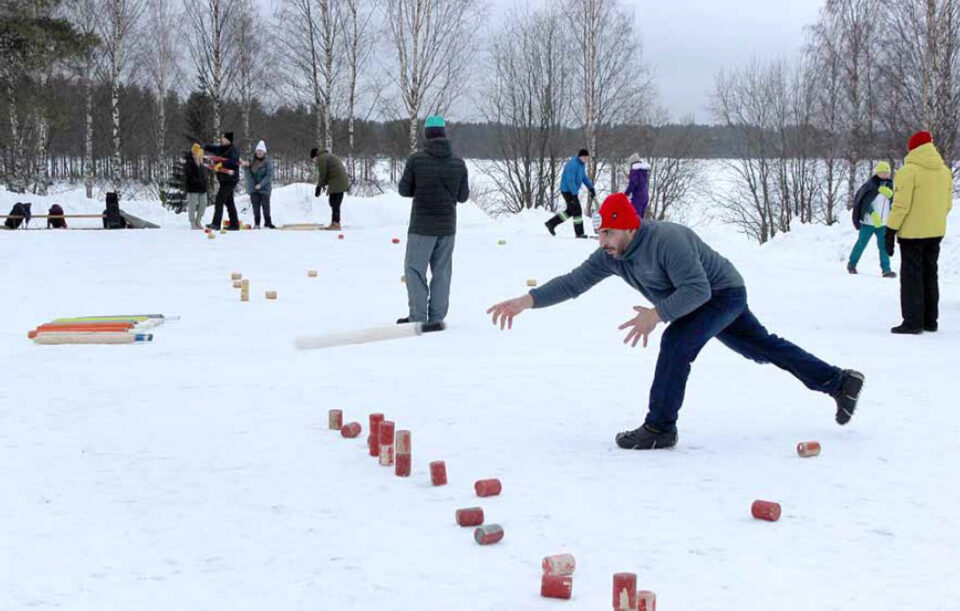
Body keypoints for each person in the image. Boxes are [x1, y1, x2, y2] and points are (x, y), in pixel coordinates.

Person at [487, 193, 865, 450]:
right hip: (700, 299)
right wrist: (526, 301)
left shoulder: (666, 240)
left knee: (676, 343)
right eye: (601, 231)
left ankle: (660, 428)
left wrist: (656, 314)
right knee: (762, 348)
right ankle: (840, 381)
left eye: (610, 232)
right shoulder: (609, 256)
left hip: (722, 294)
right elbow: (573, 283)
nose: (603, 240)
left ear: (631, 228)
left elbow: (698, 291)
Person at [396, 115, 469, 324]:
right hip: (447, 227)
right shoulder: (458, 162)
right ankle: (437, 318)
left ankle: (418, 317)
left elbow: (403, 190)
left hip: (421, 226)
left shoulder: (416, 160)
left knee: (414, 270)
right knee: (442, 273)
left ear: (426, 134)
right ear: (444, 134)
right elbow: (463, 197)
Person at [885, 130, 953, 334]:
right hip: (936, 232)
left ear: (912, 148)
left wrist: (890, 230)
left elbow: (900, 205)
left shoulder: (908, 171)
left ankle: (912, 322)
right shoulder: (944, 171)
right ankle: (930, 320)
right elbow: (948, 205)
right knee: (930, 274)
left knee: (911, 277)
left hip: (912, 234)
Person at [847, 161, 895, 277]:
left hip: (883, 224)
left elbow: (896, 203)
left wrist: (892, 196)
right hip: (868, 222)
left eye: (887, 172)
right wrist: (872, 213)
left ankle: (886, 270)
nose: (885, 174)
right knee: (861, 244)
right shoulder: (870, 185)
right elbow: (863, 202)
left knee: (883, 247)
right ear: (877, 172)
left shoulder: (891, 186)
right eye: (882, 172)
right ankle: (852, 264)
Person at [545, 148, 596, 238]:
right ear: (580, 157)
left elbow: (583, 177)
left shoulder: (581, 165)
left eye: (587, 158)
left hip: (572, 191)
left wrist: (590, 187)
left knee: (570, 211)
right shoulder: (573, 165)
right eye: (584, 158)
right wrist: (574, 195)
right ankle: (579, 233)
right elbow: (570, 181)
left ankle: (551, 223)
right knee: (577, 210)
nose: (586, 160)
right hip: (567, 190)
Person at [200, 131, 240, 230]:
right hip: (223, 179)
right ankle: (234, 224)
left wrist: (222, 164)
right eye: (222, 138)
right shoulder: (221, 148)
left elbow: (234, 162)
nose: (222, 139)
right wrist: (204, 146)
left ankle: (216, 224)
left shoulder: (233, 150)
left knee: (219, 200)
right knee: (229, 202)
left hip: (231, 179)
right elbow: (213, 148)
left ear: (229, 140)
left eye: (224, 138)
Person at [310, 148, 350, 230]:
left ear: (315, 156)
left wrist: (319, 187)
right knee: (334, 202)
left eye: (313, 160)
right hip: (340, 181)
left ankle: (336, 224)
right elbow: (329, 172)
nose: (314, 162)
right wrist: (323, 184)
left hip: (337, 181)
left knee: (335, 202)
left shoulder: (321, 158)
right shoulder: (327, 156)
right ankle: (335, 223)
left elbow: (323, 174)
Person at [243, 140, 275, 229]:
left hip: (265, 188)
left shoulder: (267, 162)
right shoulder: (251, 162)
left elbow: (269, 175)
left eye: (261, 151)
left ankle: (268, 222)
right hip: (254, 189)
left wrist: (261, 184)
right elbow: (247, 174)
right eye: (258, 151)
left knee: (266, 207)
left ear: (264, 152)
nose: (259, 153)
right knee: (255, 207)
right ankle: (257, 223)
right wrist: (244, 165)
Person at [183, 148, 208, 230]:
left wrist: (200, 165)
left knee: (203, 203)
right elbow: (190, 176)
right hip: (193, 188)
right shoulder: (189, 163)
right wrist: (197, 165)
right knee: (192, 205)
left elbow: (204, 175)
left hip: (202, 188)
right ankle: (193, 223)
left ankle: (198, 221)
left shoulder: (201, 163)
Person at [624, 152, 651, 219]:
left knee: (635, 217)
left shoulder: (634, 170)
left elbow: (634, 183)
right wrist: (630, 176)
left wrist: (626, 193)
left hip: (637, 196)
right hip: (645, 195)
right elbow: (641, 181)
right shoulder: (644, 170)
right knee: (641, 217)